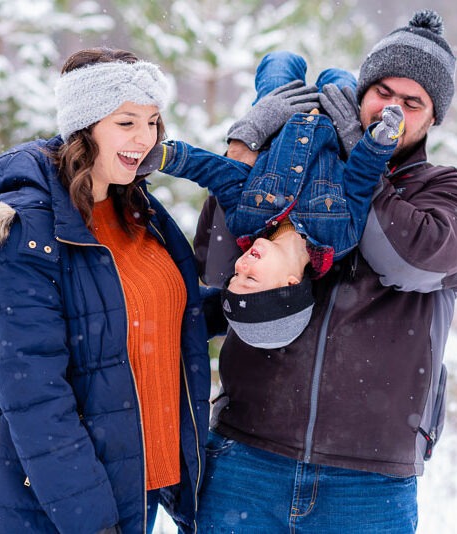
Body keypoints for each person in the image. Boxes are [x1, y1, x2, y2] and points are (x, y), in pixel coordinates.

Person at [193, 10, 457, 533]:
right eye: (382, 92)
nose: (391, 108)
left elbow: (410, 262)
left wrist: (361, 160)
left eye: (411, 102)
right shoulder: (296, 168)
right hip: (247, 455)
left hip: (367, 480)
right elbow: (216, 264)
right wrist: (247, 149)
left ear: (434, 117)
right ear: (360, 91)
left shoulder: (447, 192)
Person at [0, 47, 210, 534]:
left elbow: (155, 315)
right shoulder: (30, 230)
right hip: (57, 510)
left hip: (138, 487)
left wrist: (245, 302)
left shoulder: (138, 211)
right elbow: (35, 397)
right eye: (126, 122)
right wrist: (93, 522)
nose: (145, 138)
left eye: (153, 122)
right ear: (85, 126)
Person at [141, 51, 404, 349]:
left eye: (235, 276)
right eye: (250, 279)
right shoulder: (340, 238)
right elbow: (360, 180)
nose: (240, 266)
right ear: (291, 284)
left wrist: (170, 157)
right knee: (338, 75)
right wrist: (377, 141)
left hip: (278, 117)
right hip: (336, 121)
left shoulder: (245, 222)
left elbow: (221, 174)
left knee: (279, 60)